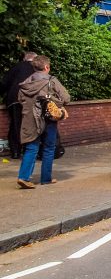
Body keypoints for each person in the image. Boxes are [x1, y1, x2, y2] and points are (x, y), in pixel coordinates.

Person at [15, 55, 70, 189]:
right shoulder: (51, 80)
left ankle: (23, 177)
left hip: (30, 119)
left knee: (31, 148)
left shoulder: (25, 83)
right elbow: (66, 98)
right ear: (46, 67)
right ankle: (46, 178)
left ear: (34, 67)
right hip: (48, 119)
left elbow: (21, 100)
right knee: (49, 148)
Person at [1, 51, 36, 159]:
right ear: (35, 60)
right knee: (30, 125)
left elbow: (4, 83)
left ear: (25, 59)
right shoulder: (37, 69)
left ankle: (15, 152)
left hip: (14, 99)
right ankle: (28, 150)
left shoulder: (16, 67)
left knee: (16, 125)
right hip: (30, 100)